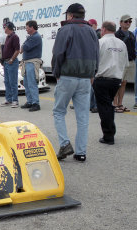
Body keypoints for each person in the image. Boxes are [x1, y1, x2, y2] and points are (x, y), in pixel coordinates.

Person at [52, 3, 99, 162]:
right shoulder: (92, 32)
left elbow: (58, 54)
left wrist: (56, 73)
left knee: (59, 111)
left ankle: (65, 144)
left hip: (67, 76)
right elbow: (96, 54)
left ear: (70, 15)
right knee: (83, 116)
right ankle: (81, 152)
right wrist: (93, 73)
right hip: (86, 78)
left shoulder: (65, 30)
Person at [93, 21, 128, 145]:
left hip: (102, 78)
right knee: (109, 106)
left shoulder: (100, 42)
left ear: (103, 29)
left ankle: (108, 135)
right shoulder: (122, 44)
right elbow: (125, 64)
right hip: (116, 79)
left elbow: (94, 61)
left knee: (104, 108)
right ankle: (110, 132)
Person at [113, 14, 136, 113]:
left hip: (130, 62)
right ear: (120, 23)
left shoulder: (131, 34)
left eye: (130, 22)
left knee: (124, 83)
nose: (128, 23)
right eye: (126, 21)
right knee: (117, 83)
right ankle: (115, 104)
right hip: (120, 62)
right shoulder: (117, 34)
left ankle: (120, 103)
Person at [19, 20, 42, 112]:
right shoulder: (31, 37)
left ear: (32, 27)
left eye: (27, 27)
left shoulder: (35, 37)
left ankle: (36, 103)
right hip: (27, 63)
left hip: (32, 63)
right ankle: (30, 101)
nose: (26, 29)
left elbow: (25, 47)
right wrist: (23, 46)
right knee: (27, 83)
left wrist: (23, 46)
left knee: (32, 83)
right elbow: (24, 46)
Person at [1, 21, 20, 108]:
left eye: (5, 27)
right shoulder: (8, 37)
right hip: (6, 62)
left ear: (8, 28)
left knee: (13, 82)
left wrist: (12, 59)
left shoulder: (15, 37)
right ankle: (8, 99)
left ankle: (15, 100)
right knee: (7, 81)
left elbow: (17, 50)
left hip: (11, 62)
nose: (4, 29)